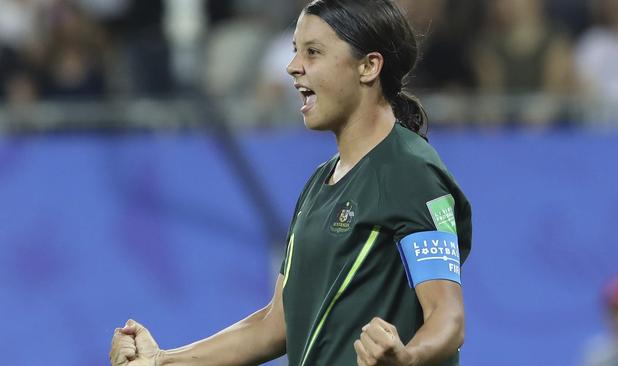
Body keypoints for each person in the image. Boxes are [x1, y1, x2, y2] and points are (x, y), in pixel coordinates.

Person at [109, 0, 472, 365]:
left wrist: (408, 358)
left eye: (312, 52)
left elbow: (447, 316)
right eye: (295, 51)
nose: (292, 67)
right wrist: (160, 361)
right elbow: (275, 324)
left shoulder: (410, 171)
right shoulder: (319, 183)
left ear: (368, 66)